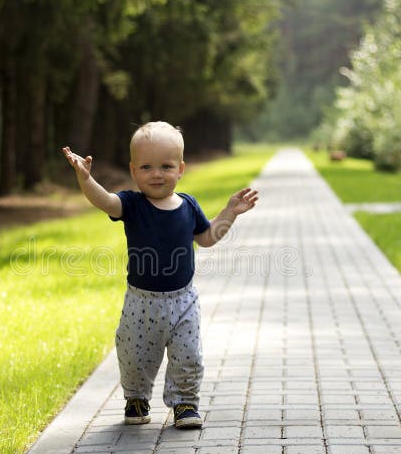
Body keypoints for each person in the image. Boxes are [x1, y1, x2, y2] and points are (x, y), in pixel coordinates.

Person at [62, 121, 258, 429]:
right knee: (134, 355)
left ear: (180, 169)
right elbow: (105, 201)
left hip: (183, 300)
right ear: (133, 170)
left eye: (166, 166)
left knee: (188, 355)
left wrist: (229, 212)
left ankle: (185, 403)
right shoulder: (131, 204)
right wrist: (86, 179)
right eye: (147, 167)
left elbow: (207, 238)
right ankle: (137, 397)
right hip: (141, 302)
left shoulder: (188, 205)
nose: (156, 174)